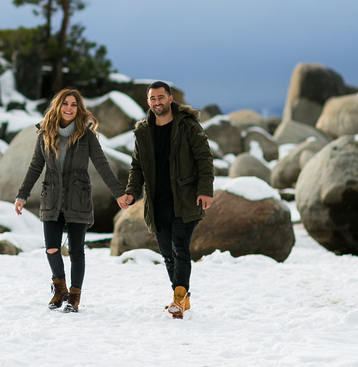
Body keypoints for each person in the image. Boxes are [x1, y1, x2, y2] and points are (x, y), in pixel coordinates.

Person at [15, 88, 131, 313]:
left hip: (78, 197)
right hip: (51, 197)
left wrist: (119, 193)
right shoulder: (45, 133)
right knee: (51, 248)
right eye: (65, 103)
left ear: (79, 109)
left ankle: (74, 296)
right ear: (58, 106)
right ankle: (59, 288)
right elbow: (35, 166)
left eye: (74, 104)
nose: (69, 108)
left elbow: (102, 165)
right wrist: (22, 194)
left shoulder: (87, 136)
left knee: (77, 251)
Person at [123, 81, 214, 318]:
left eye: (161, 97)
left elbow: (205, 158)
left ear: (170, 99)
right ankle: (183, 299)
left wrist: (205, 190)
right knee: (167, 253)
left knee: (180, 248)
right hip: (157, 202)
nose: (157, 102)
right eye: (152, 99)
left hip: (185, 199)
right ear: (148, 102)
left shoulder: (187, 126)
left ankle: (177, 299)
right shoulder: (143, 131)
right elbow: (137, 167)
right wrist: (132, 192)